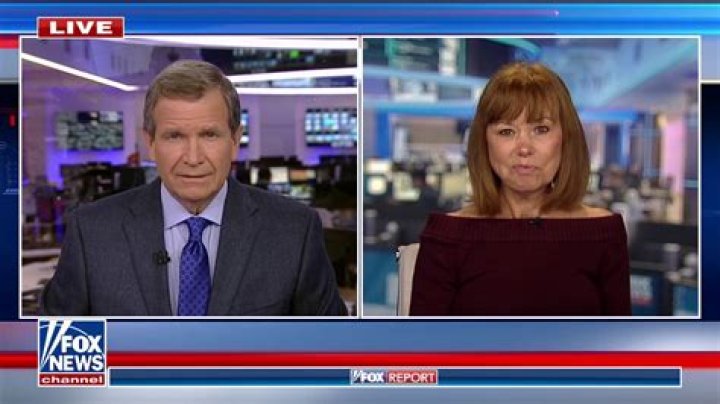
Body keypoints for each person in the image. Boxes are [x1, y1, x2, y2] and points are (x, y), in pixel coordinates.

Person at [40, 60, 347, 316]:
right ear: (150, 142)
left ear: (234, 140)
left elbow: (332, 353)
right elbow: (54, 354)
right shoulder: (91, 232)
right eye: (175, 136)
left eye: (209, 135)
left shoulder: (294, 231)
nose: (193, 158)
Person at [409, 62, 631, 316]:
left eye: (541, 129)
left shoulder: (602, 234)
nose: (524, 148)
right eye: (506, 131)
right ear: (484, 143)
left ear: (566, 139)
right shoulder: (447, 238)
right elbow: (423, 341)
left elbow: (618, 340)